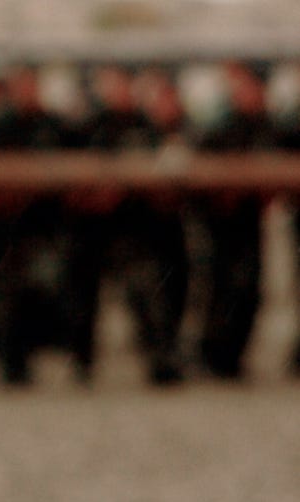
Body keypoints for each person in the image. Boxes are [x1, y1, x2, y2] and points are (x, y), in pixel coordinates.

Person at [66, 64, 188, 384]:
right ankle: (82, 362)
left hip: (135, 226)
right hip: (94, 226)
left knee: (148, 296)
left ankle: (160, 360)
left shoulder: (145, 126)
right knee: (84, 299)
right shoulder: (89, 126)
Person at [0, 63, 70, 385]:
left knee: (37, 293)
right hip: (3, 226)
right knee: (5, 298)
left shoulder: (52, 124)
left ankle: (26, 356)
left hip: (39, 225)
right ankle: (10, 364)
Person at [194, 60, 276, 379]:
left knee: (248, 288)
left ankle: (232, 358)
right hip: (221, 223)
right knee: (221, 288)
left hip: (249, 222)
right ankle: (215, 356)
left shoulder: (267, 125)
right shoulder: (221, 125)